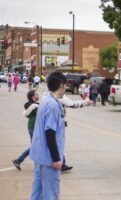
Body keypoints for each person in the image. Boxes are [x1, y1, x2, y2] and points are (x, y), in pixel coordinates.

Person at [29, 71, 67, 200]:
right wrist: (56, 159)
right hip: (48, 159)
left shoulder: (46, 101)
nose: (66, 88)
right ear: (61, 85)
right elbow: (50, 133)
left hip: (39, 155)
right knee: (51, 194)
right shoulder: (53, 106)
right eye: (65, 85)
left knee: (37, 192)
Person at [12, 90, 39, 170]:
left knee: (35, 146)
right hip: (34, 127)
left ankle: (18, 160)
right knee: (36, 146)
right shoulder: (33, 106)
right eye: (36, 94)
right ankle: (19, 161)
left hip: (33, 126)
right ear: (32, 97)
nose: (37, 95)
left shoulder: (32, 105)